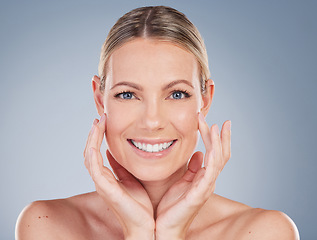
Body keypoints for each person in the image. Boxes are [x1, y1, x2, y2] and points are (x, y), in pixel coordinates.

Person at [15, 5, 299, 240]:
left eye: (177, 94)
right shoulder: (47, 226)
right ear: (100, 100)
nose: (152, 121)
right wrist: (138, 231)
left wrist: (171, 232)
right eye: (127, 94)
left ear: (205, 99)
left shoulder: (263, 232)